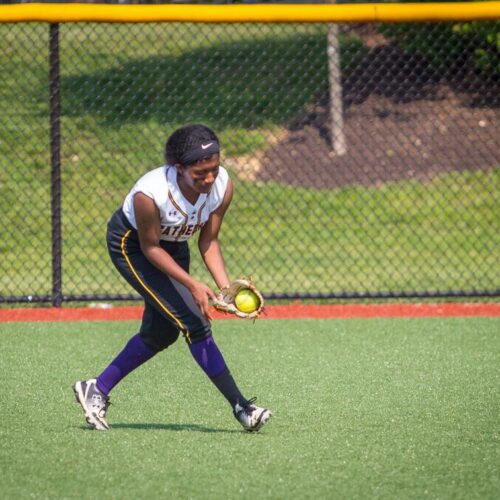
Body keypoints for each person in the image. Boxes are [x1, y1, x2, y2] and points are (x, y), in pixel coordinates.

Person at [73, 124, 272, 432]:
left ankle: (96, 388)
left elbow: (209, 241)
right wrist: (193, 285)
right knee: (194, 322)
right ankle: (241, 407)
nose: (209, 178)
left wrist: (225, 288)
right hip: (134, 246)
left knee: (162, 334)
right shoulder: (150, 194)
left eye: (214, 169)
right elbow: (151, 248)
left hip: (173, 245)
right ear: (179, 168)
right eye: (199, 173)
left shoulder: (222, 186)